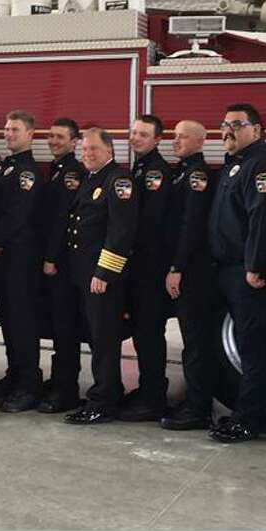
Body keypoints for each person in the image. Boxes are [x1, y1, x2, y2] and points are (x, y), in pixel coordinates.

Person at [206, 104, 266, 444]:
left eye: (236, 125)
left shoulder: (263, 165)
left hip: (247, 272)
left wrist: (255, 266)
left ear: (256, 130)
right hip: (229, 269)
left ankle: (250, 420)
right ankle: (256, 414)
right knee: (246, 344)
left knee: (254, 349)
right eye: (224, 124)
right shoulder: (238, 164)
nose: (227, 130)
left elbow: (263, 220)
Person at [60, 128, 137, 426]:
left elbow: (121, 231)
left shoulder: (118, 180)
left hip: (101, 276)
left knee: (104, 340)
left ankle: (103, 403)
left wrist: (104, 272)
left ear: (110, 151)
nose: (87, 154)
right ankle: (108, 393)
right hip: (84, 274)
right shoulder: (93, 179)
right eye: (84, 149)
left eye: (93, 149)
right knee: (96, 338)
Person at [0, 110, 45, 413]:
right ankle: (14, 374)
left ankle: (29, 385)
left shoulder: (27, 172)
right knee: (7, 320)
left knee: (22, 323)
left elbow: (18, 214)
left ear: (31, 134)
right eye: (6, 130)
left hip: (20, 257)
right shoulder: (8, 167)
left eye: (15, 130)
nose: (8, 134)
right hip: (3, 258)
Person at [161, 119, 218, 431]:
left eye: (184, 137)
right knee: (190, 340)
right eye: (175, 136)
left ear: (200, 141)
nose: (177, 141)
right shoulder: (182, 171)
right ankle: (193, 401)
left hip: (192, 272)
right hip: (184, 269)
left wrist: (177, 267)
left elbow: (192, 226)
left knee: (196, 342)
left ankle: (198, 409)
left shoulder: (197, 175)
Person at [122, 114, 175, 422]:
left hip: (150, 268)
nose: (136, 138)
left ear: (157, 140)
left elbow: (149, 222)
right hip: (139, 267)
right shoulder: (140, 168)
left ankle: (154, 398)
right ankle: (147, 389)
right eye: (133, 133)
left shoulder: (155, 171)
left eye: (143, 134)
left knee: (150, 333)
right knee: (143, 334)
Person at [38, 117, 86, 414]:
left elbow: (61, 221)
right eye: (51, 136)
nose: (54, 141)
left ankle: (66, 390)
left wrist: (51, 259)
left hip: (62, 265)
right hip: (53, 262)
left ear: (74, 141)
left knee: (66, 327)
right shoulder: (57, 170)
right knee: (57, 326)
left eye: (60, 137)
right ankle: (58, 381)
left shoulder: (71, 173)